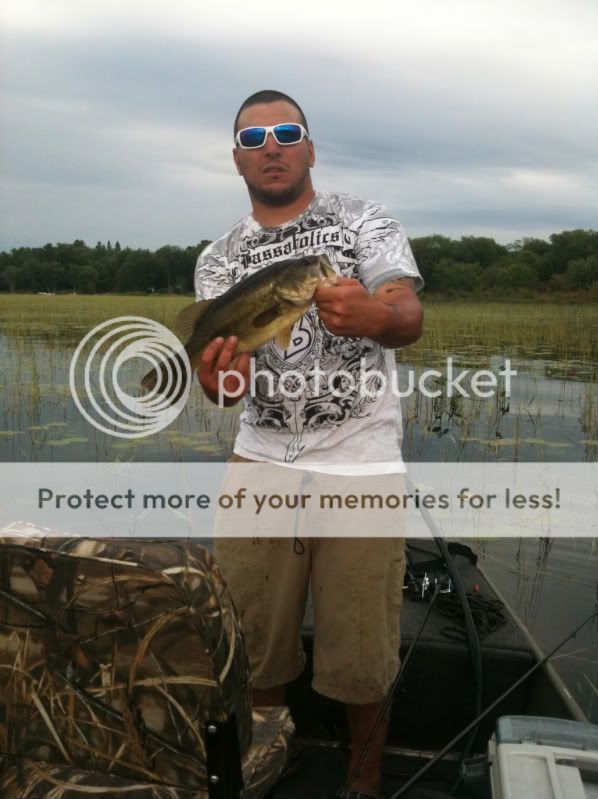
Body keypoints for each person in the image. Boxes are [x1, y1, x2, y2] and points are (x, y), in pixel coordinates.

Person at [194, 90, 423, 799]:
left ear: (310, 147)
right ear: (237, 158)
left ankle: (363, 777)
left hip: (362, 464)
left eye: (286, 131)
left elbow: (408, 314)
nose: (271, 144)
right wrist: (219, 379)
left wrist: (375, 314)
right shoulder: (219, 258)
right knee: (253, 636)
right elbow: (225, 389)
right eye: (254, 136)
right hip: (261, 461)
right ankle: (268, 759)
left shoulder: (363, 221)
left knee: (361, 648)